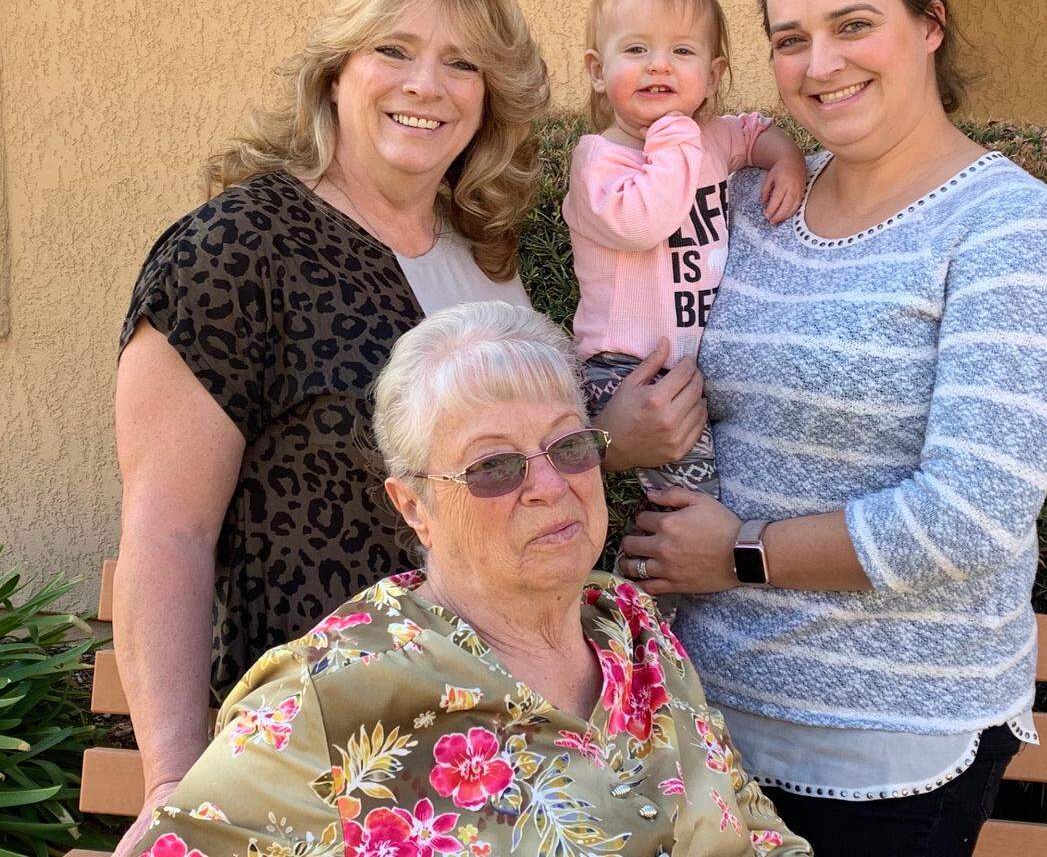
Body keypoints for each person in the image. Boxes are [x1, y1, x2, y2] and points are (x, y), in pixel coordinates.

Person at [113, 0, 711, 855]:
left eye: (461, 62)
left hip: (511, 766)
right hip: (335, 765)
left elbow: (500, 470)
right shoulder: (237, 250)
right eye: (394, 49)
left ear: (490, 96)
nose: (426, 86)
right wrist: (171, 781)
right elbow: (167, 533)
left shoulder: (490, 260)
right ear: (336, 69)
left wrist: (606, 440)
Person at [617, 0, 1047, 857]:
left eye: (853, 25)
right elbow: (637, 327)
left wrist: (740, 552)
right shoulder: (750, 203)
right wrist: (616, 430)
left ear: (928, 24)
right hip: (698, 725)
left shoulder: (1011, 230)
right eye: (790, 39)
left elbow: (968, 515)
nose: (821, 64)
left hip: (893, 750)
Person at [127, 301, 811, 857]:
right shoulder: (335, 697)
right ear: (414, 506)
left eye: (569, 445)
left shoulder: (630, 624)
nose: (548, 485)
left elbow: (753, 827)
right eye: (494, 467)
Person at [563, 0, 806, 506]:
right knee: (690, 498)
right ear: (598, 70)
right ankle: (661, 587)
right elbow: (644, 222)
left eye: (682, 51)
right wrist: (673, 133)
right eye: (637, 49)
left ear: (714, 75)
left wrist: (787, 159)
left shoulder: (714, 136)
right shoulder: (597, 159)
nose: (659, 67)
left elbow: (754, 132)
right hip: (623, 369)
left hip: (691, 358)